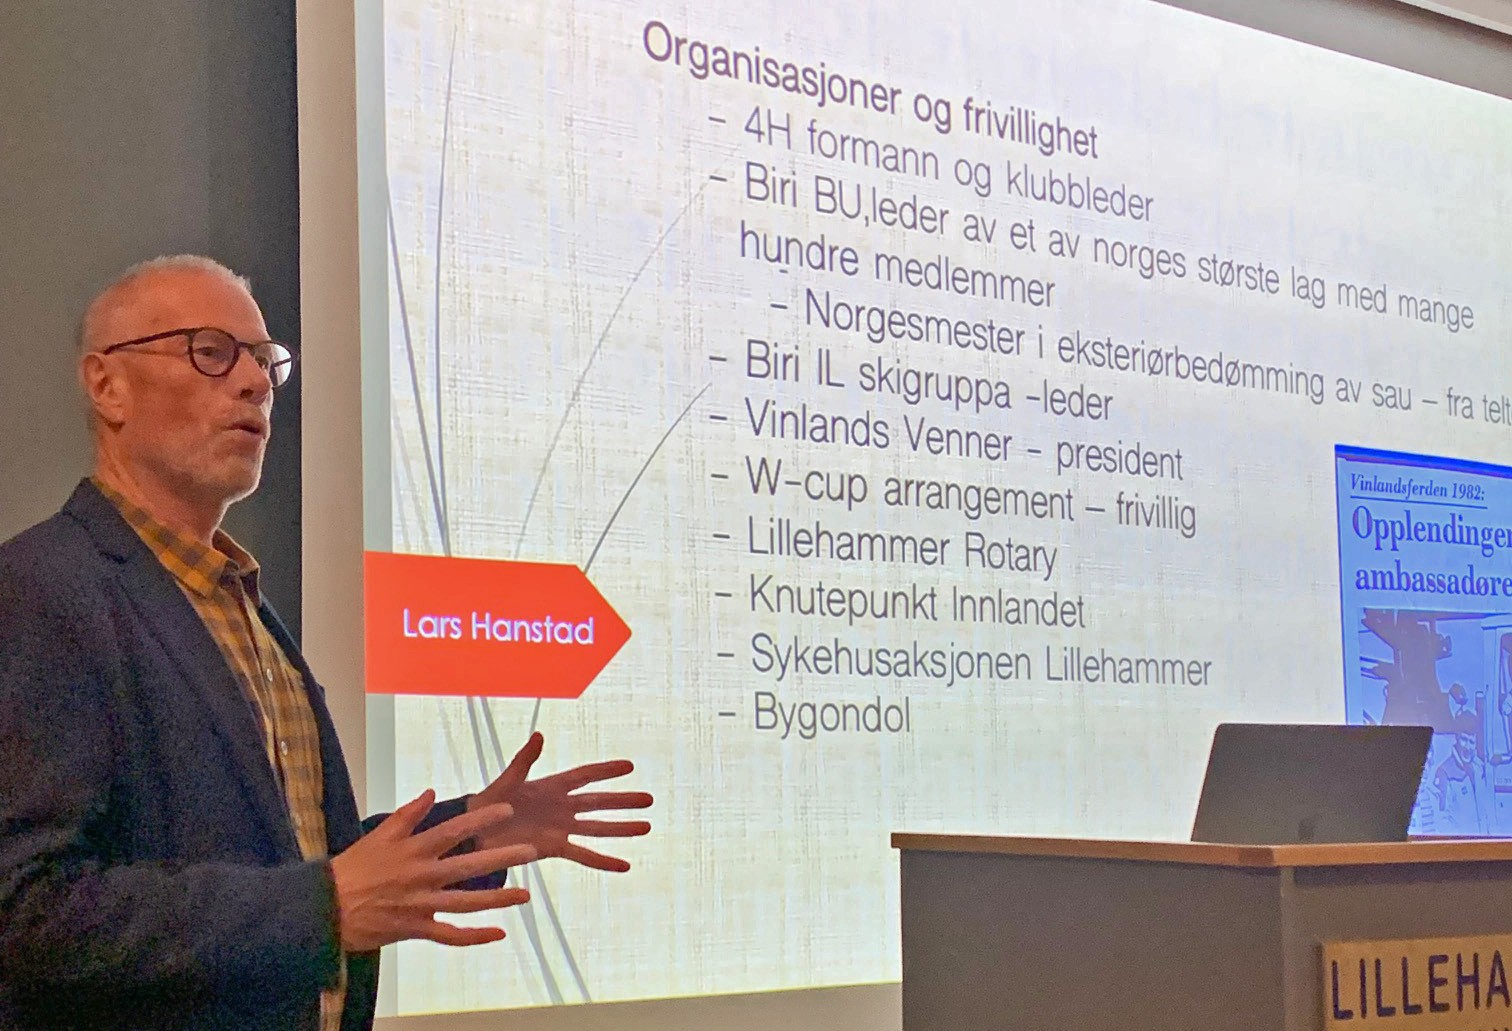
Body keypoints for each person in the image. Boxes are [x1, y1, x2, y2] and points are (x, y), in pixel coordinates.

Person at [0, 255, 652, 1029]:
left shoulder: (236, 601)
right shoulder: (42, 588)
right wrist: (323, 907)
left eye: (265, 361)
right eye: (211, 351)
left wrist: (472, 830)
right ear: (107, 384)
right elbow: (25, 907)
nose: (254, 382)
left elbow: (296, 860)